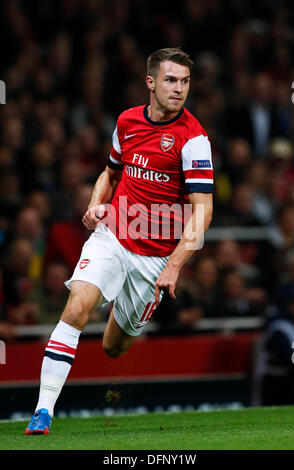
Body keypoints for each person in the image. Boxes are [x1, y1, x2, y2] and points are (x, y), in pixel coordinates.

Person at [25, 48, 213, 434]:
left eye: (185, 82)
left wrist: (174, 267)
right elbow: (110, 173)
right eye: (170, 80)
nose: (179, 89)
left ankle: (122, 299)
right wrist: (96, 204)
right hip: (112, 236)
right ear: (151, 82)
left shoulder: (194, 139)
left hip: (155, 259)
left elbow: (203, 212)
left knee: (114, 347)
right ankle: (42, 411)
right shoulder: (127, 121)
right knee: (76, 307)